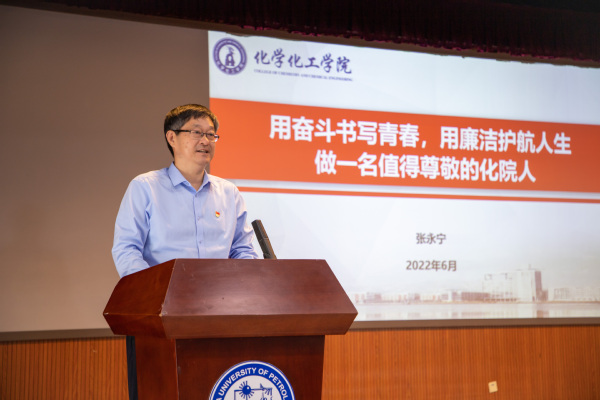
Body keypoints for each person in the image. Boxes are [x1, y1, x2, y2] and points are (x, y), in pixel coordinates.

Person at [111, 104, 258, 400]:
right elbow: (126, 249)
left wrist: (242, 290)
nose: (205, 140)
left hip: (221, 316)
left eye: (211, 134)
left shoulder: (228, 192)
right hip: (160, 319)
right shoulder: (145, 187)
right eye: (196, 132)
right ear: (172, 138)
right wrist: (154, 296)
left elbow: (243, 249)